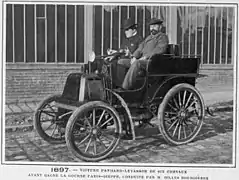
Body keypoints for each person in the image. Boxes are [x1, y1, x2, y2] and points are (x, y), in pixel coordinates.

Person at [119, 18, 169, 90]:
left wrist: (145, 57)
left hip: (153, 63)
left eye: (155, 26)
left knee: (137, 63)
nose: (152, 28)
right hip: (143, 61)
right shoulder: (148, 38)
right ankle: (118, 85)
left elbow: (159, 50)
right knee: (121, 62)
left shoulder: (162, 37)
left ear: (160, 27)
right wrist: (133, 57)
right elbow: (140, 49)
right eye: (151, 27)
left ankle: (125, 88)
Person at [110, 18, 143, 87]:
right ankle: (112, 85)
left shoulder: (139, 39)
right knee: (111, 63)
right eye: (125, 30)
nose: (125, 32)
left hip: (134, 62)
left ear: (134, 30)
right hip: (123, 59)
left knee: (120, 62)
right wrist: (114, 53)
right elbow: (121, 50)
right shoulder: (125, 40)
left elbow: (140, 53)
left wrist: (130, 54)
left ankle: (122, 86)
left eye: (127, 30)